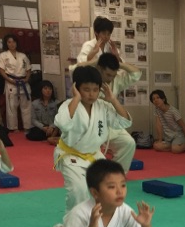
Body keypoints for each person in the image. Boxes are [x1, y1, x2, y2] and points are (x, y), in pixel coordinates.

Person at [54, 65, 131, 213]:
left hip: (95, 156)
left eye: (95, 90)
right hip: (71, 156)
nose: (92, 94)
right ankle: (74, 221)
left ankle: (102, 220)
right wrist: (76, 98)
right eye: (86, 89)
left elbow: (125, 122)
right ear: (76, 88)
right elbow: (62, 124)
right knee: (78, 190)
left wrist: (113, 100)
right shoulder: (68, 105)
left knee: (109, 188)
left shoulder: (103, 106)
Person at [94, 53, 141, 172]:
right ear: (99, 68)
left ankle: (117, 174)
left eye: (113, 75)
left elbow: (136, 73)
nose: (111, 78)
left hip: (110, 122)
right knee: (95, 156)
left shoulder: (116, 80)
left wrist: (120, 64)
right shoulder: (88, 80)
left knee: (128, 142)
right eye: (108, 74)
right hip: (90, 124)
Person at [0, 34, 32, 132]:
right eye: (9, 42)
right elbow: (1, 70)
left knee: (26, 106)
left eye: (14, 42)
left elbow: (28, 69)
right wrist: (10, 80)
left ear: (17, 43)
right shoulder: (3, 55)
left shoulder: (23, 56)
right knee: (11, 106)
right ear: (6, 43)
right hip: (11, 82)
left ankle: (27, 127)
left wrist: (27, 79)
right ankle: (13, 128)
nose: (12, 44)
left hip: (23, 82)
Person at [150, 89, 185, 153]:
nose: (155, 100)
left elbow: (183, 126)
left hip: (178, 136)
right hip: (168, 138)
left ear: (163, 99)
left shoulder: (173, 111)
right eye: (153, 99)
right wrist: (160, 140)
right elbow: (159, 125)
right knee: (156, 146)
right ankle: (175, 147)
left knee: (175, 149)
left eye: (158, 98)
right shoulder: (157, 110)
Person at [27, 80, 61, 144]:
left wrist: (52, 126)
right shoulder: (34, 103)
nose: (48, 91)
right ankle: (49, 136)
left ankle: (50, 136)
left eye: (50, 89)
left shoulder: (57, 103)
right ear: (41, 90)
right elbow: (33, 120)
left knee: (59, 131)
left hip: (53, 126)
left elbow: (59, 118)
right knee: (34, 134)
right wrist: (42, 127)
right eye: (45, 88)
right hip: (41, 127)